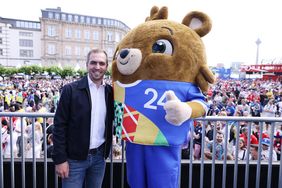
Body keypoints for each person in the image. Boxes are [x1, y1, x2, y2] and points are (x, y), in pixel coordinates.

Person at [52, 49, 114, 188]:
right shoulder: (70, 90)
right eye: (93, 63)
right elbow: (59, 126)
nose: (97, 67)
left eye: (101, 63)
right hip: (74, 160)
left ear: (106, 66)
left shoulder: (110, 92)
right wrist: (60, 159)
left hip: (99, 157)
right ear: (87, 64)